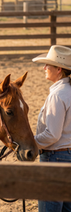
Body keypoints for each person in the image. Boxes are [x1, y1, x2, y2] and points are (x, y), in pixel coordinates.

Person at [32, 45, 71, 212]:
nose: (44, 68)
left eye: (48, 65)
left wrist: (31, 143)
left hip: (55, 157)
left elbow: (52, 135)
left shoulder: (57, 95)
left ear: (59, 69)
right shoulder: (68, 90)